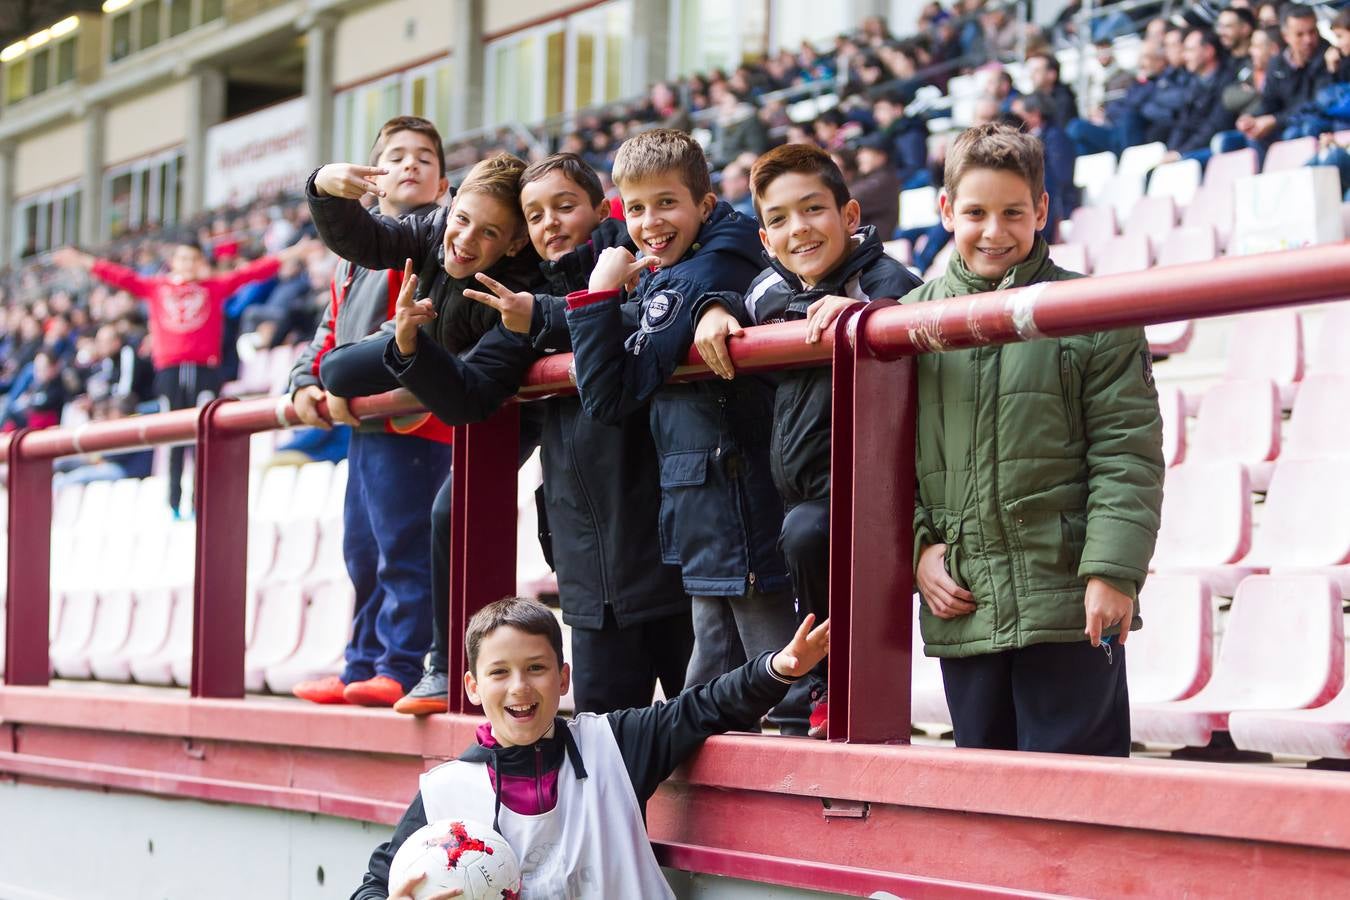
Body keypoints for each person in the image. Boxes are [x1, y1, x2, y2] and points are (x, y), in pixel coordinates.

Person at [378, 153, 694, 716]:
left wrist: (578, 305)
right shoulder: (520, 306)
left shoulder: (651, 266)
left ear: (602, 210)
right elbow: (468, 395)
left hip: (674, 567)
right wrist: (407, 345)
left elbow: (662, 315)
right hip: (587, 578)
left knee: (711, 743)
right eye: (534, 214)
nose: (549, 222)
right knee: (602, 759)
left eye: (564, 207)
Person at [905, 123, 1164, 756]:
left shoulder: (1091, 311)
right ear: (945, 211)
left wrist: (1112, 572)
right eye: (975, 213)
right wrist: (917, 551)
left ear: (1041, 209)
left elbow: (1127, 454)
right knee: (990, 812)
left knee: (1079, 810)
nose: (994, 231)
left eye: (1013, 212)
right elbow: (889, 466)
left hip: (1070, 604)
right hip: (964, 603)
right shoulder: (910, 323)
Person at [562, 129, 811, 734]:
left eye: (667, 203)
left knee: (770, 670)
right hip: (703, 502)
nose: (650, 223)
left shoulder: (691, 276)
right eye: (637, 208)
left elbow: (606, 393)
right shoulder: (682, 269)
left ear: (704, 204)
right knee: (714, 662)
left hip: (731, 497)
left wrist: (597, 296)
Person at [353, 596, 829, 899]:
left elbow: (703, 706)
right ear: (474, 687)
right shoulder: (445, 793)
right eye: (500, 672)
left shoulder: (614, 745)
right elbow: (372, 886)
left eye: (536, 668)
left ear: (563, 679)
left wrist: (778, 668)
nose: (519, 686)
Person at [691, 143, 921, 737]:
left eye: (813, 209)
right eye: (779, 219)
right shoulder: (769, 290)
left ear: (849, 216)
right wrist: (713, 309)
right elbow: (738, 303)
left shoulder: (890, 281)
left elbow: (924, 318)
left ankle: (830, 682)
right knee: (789, 532)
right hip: (801, 491)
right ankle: (808, 687)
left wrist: (872, 316)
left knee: (807, 532)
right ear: (765, 240)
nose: (800, 229)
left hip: (880, 492)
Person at [306, 152, 546, 708]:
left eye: (488, 233)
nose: (464, 240)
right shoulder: (436, 226)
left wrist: (413, 351)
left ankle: (443, 667)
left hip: (515, 399)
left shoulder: (518, 288)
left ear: (511, 244)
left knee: (446, 513)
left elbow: (471, 399)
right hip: (439, 355)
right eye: (462, 219)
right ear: (450, 205)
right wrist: (322, 187)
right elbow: (366, 242)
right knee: (337, 369)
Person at [286, 116, 457, 708]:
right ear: (371, 179)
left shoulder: (436, 240)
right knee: (361, 551)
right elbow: (328, 328)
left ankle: (402, 665)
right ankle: (361, 665)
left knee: (404, 547)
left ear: (442, 183)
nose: (410, 164)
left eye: (424, 159)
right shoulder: (350, 256)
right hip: (364, 426)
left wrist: (346, 384)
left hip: (413, 422)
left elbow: (408, 327)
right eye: (395, 156)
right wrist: (307, 378)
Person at [51, 237, 308, 516]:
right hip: (170, 372)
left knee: (205, 436)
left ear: (201, 263)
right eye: (182, 259)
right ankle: (174, 503)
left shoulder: (214, 287)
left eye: (193, 260)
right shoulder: (156, 288)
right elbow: (119, 276)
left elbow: (252, 273)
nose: (187, 265)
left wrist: (293, 253)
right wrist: (81, 260)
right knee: (174, 437)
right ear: (173, 262)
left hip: (205, 370)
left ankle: (202, 501)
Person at [1237, 3, 1328, 143]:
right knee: (1232, 139)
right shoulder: (1277, 63)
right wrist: (1251, 118)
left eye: (1312, 32)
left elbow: (1317, 105)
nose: (1308, 40)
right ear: (1286, 36)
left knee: (1295, 133)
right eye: (1300, 34)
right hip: (1283, 124)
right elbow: (1268, 103)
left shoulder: (1327, 57)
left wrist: (1275, 120)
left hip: (1308, 124)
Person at [1164, 27, 1240, 164]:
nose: (1185, 56)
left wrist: (1181, 153)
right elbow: (1183, 124)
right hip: (1192, 148)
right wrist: (1172, 150)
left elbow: (1216, 125)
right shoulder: (1193, 83)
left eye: (1190, 50)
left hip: (1217, 148)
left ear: (1209, 51)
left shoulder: (1228, 80)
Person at [849, 133, 902, 238]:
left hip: (876, 246)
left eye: (865, 152)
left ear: (881, 156)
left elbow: (847, 199)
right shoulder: (871, 178)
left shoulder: (884, 181)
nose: (859, 157)